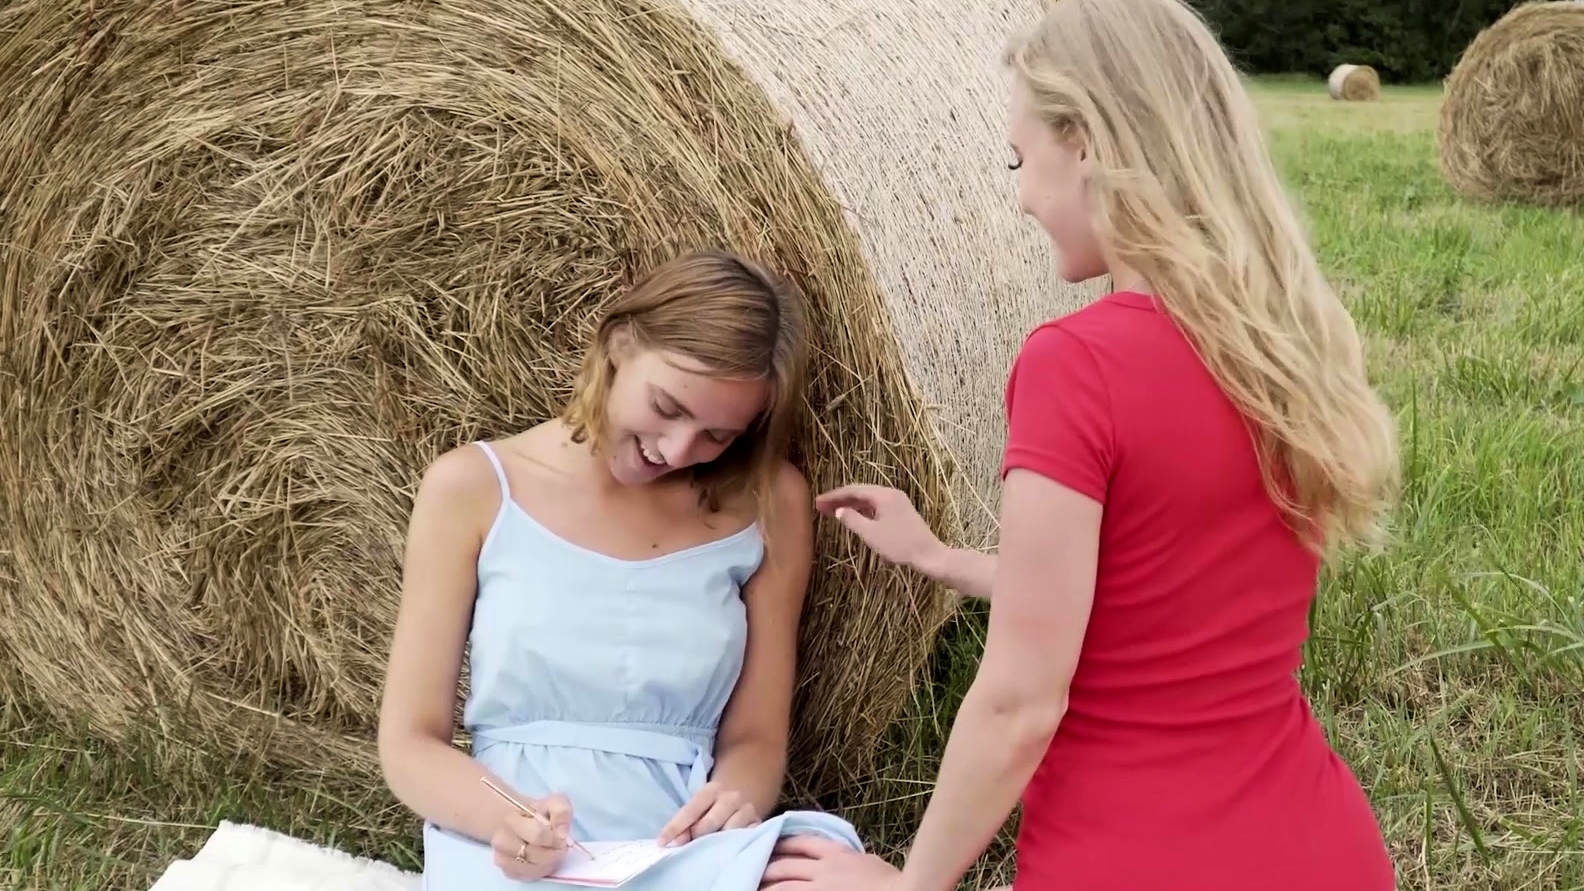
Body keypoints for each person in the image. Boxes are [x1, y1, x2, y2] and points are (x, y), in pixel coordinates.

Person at [759, 1, 1402, 890]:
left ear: (1091, 142)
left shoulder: (1077, 364)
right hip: (1319, 846)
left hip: (1137, 856)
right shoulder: (1283, 347)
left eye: (1022, 159)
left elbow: (1020, 701)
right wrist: (944, 559)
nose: (1020, 193)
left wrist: (907, 885)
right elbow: (1154, 600)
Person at [376, 249, 862, 891]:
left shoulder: (772, 503)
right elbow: (410, 740)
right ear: (618, 344)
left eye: (719, 435)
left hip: (679, 844)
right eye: (668, 406)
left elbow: (757, 734)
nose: (677, 450)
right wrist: (510, 820)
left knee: (835, 872)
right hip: (520, 840)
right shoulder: (473, 486)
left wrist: (736, 798)